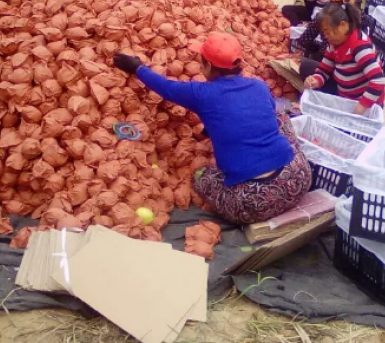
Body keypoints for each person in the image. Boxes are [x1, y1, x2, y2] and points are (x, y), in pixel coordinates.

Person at [112, 32, 311, 225]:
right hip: (297, 179)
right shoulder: (259, 86)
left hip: (253, 202)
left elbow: (165, 87)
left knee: (202, 177)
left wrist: (137, 67)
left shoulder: (202, 93)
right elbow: (251, 113)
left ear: (207, 65)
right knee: (279, 117)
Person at [302, 1, 385, 114]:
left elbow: (378, 80)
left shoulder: (360, 47)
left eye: (327, 32)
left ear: (343, 25)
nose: (325, 36)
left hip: (366, 102)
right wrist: (315, 80)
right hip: (345, 94)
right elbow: (324, 70)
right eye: (324, 32)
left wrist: (361, 106)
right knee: (306, 66)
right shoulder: (334, 43)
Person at [297, 0, 363, 62]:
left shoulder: (322, 16)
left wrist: (319, 49)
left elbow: (304, 40)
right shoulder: (356, 19)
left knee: (305, 66)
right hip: (346, 66)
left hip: (324, 61)